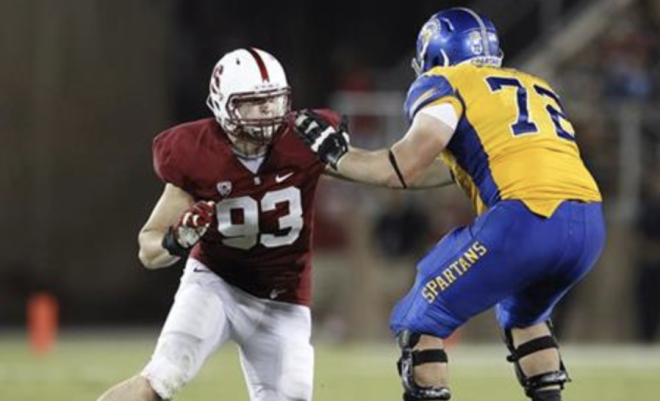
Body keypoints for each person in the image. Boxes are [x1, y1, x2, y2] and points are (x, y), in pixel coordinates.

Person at [294, 7, 605, 401]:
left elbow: (403, 167)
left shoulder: (445, 81)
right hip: (589, 221)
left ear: (437, 53)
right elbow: (440, 170)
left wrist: (336, 155)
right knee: (525, 318)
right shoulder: (532, 84)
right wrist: (340, 167)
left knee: (418, 320)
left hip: (526, 218)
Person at [96, 47, 346, 401]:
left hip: (285, 299)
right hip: (216, 284)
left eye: (274, 100)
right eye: (253, 102)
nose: (267, 111)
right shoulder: (196, 152)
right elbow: (148, 248)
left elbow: (380, 170)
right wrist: (176, 242)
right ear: (223, 105)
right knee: (160, 379)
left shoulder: (307, 138)